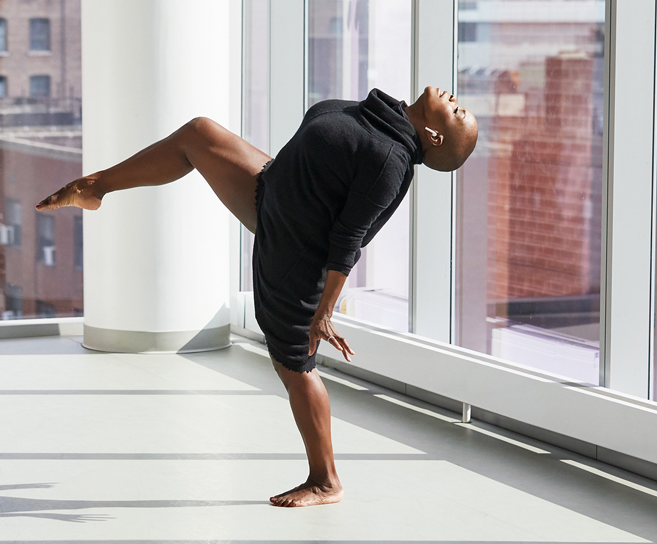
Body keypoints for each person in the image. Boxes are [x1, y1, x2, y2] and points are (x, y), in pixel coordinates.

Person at [36, 86, 478, 508]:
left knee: (296, 366)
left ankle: (325, 481)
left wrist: (325, 310)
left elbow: (349, 239)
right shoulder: (379, 117)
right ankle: (94, 187)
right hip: (271, 191)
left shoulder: (391, 160)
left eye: (457, 113)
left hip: (297, 251)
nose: (455, 100)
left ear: (435, 136)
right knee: (198, 134)